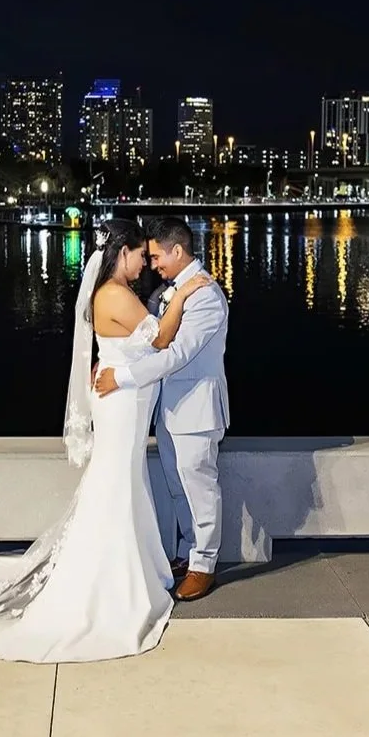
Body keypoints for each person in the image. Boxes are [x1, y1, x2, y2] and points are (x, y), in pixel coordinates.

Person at [0, 218, 212, 663]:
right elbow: (160, 339)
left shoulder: (112, 294)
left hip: (122, 399)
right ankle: (111, 581)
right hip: (121, 403)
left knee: (122, 481)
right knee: (117, 483)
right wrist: (184, 292)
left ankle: (133, 569)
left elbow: (118, 344)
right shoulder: (116, 294)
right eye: (140, 255)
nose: (145, 263)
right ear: (121, 253)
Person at [94, 217, 230, 601]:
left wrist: (120, 376)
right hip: (169, 410)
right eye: (147, 257)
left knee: (199, 487)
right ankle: (189, 554)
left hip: (197, 410)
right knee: (177, 487)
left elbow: (175, 354)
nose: (153, 265)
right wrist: (110, 355)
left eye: (156, 257)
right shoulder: (170, 291)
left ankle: (205, 564)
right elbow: (146, 335)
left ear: (177, 250)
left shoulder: (203, 296)